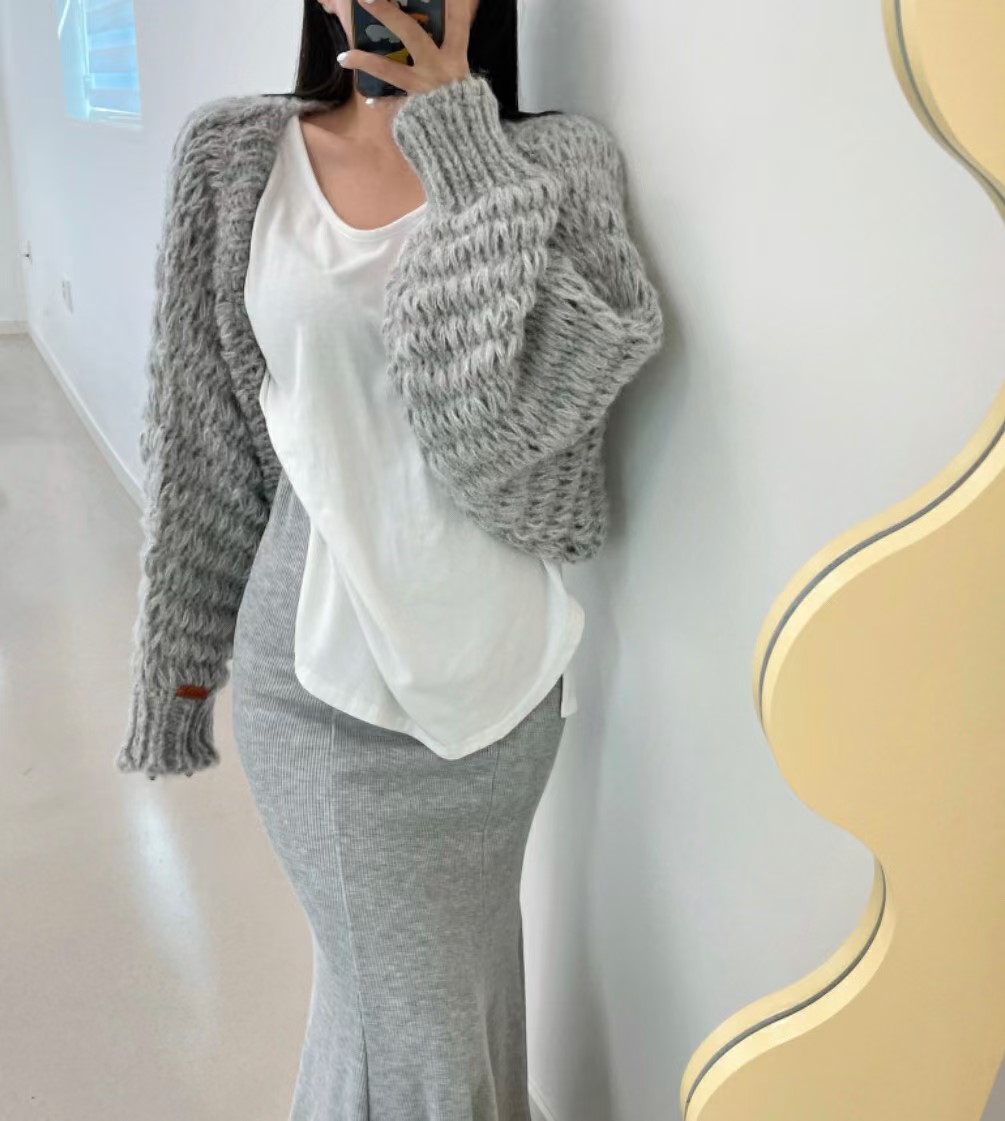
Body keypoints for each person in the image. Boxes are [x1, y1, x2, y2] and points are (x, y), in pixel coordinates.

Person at [117, 0, 664, 1115]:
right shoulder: (235, 158)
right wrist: (180, 674)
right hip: (317, 687)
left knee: (451, 992)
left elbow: (505, 435)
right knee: (416, 1035)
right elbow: (202, 444)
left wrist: (465, 153)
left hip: (501, 681)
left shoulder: (558, 161)